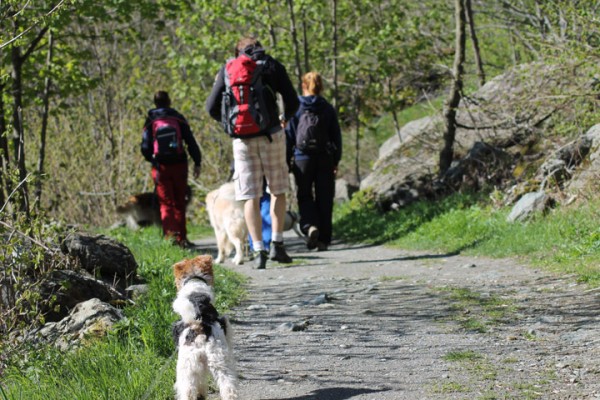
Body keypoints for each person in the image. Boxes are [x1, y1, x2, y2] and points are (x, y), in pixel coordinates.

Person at [206, 36, 299, 269]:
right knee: (277, 190)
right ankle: (277, 245)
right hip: (272, 135)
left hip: (241, 141)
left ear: (237, 51)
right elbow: (292, 100)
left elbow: (211, 107)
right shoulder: (271, 65)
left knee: (250, 196)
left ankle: (258, 251)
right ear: (258, 47)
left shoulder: (228, 68)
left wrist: (230, 125)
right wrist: (284, 119)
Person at [285, 72, 342, 251]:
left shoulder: (296, 107)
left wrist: (287, 162)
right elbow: (336, 137)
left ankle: (310, 226)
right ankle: (324, 239)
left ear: (303, 86)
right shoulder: (327, 108)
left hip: (302, 159)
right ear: (321, 87)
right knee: (325, 198)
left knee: (304, 195)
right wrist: (336, 160)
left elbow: (289, 136)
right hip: (324, 157)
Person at [141, 90, 201, 248]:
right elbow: (191, 141)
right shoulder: (178, 118)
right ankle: (182, 239)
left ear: (155, 103)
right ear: (169, 101)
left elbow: (145, 147)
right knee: (180, 202)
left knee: (166, 204)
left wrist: (152, 159)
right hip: (180, 165)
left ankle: (170, 239)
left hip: (161, 167)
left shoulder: (151, 120)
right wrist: (197, 162)